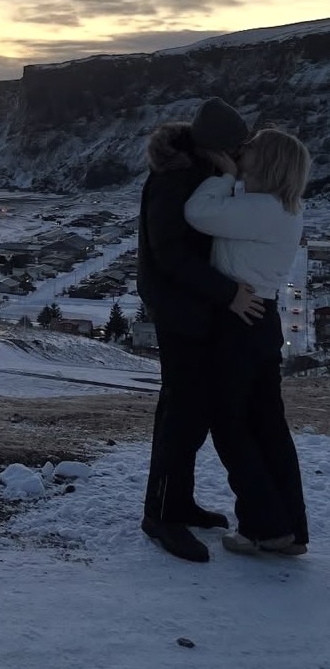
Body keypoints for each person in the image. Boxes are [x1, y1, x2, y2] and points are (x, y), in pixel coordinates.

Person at [137, 97, 265, 563]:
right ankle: (161, 515)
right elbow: (170, 253)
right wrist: (227, 292)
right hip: (181, 311)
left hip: (196, 308)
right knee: (181, 413)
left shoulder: (198, 170)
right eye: (238, 148)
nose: (242, 155)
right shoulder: (176, 177)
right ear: (218, 147)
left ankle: (178, 502)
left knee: (190, 411)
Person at [185, 127, 310, 555]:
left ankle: (264, 527)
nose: (243, 149)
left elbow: (198, 212)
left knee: (231, 423)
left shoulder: (261, 208)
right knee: (268, 425)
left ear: (269, 160)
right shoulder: (281, 208)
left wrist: (224, 175)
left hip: (239, 321)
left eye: (253, 147)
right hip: (261, 320)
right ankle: (290, 529)